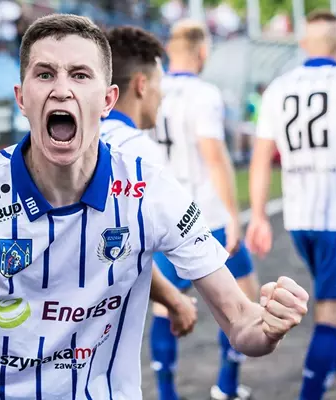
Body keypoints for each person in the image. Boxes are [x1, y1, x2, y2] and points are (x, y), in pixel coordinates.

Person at [0, 14, 309, 400]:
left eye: (80, 75)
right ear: (22, 98)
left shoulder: (153, 191)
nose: (62, 89)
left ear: (108, 100)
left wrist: (268, 325)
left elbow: (242, 325)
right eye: (45, 74)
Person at [247, 10, 336, 400]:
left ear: (303, 45)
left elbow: (260, 157)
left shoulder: (279, 88)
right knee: (332, 311)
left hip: (299, 218)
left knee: (335, 302)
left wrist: (257, 216)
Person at [147, 19, 259, 400]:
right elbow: (213, 156)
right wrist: (234, 216)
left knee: (165, 307)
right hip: (205, 215)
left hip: (163, 215)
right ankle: (227, 384)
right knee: (244, 296)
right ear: (203, 51)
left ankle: (167, 393)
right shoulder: (204, 94)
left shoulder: (153, 89)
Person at [100, 25, 199, 338]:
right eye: (159, 83)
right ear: (141, 85)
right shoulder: (139, 151)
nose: (162, 93)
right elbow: (118, 248)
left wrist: (173, 300)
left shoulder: (72, 140)